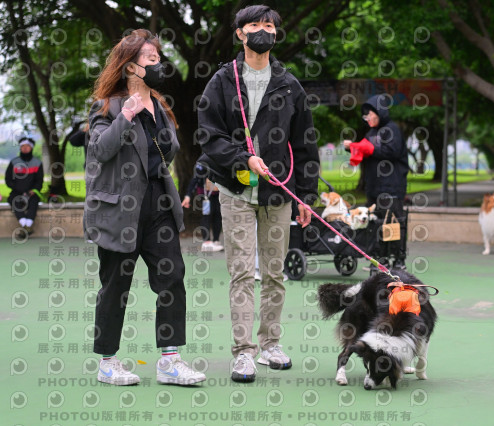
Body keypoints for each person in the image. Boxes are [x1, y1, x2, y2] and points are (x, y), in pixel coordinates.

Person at [197, 4, 319, 383]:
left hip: (278, 193)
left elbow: (305, 144)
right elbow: (209, 135)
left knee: (274, 272)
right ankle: (243, 352)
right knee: (240, 273)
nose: (262, 30)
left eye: (269, 25)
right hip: (235, 189)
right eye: (254, 25)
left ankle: (270, 344)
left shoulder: (289, 84)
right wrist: (243, 158)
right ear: (240, 33)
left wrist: (306, 195)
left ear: (276, 34)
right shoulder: (222, 81)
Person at [85, 29, 205, 386]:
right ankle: (108, 362)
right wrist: (126, 115)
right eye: (151, 59)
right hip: (119, 209)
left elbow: (167, 153)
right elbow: (100, 150)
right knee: (115, 286)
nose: (159, 64)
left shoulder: (160, 106)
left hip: (158, 204)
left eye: (158, 58)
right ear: (130, 66)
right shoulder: (107, 106)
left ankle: (170, 360)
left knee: (172, 278)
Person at [343, 95, 409, 269]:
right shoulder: (371, 133)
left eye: (370, 114)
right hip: (374, 186)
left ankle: (397, 259)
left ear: (380, 113)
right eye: (365, 116)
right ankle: (380, 258)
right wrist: (353, 147)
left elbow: (392, 151)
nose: (367, 118)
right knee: (376, 221)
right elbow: (365, 151)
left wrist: (368, 148)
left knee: (392, 222)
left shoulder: (392, 130)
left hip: (391, 186)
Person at [5, 135, 43, 237]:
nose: (25, 148)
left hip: (31, 193)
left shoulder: (37, 163)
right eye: (23, 146)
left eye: (27, 146)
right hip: (16, 192)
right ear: (20, 148)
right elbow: (8, 180)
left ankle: (27, 226)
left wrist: (34, 190)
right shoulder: (14, 162)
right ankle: (25, 225)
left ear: (31, 148)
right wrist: (17, 188)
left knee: (34, 202)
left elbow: (39, 180)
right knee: (13, 201)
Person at [181, 163, 223, 252]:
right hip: (206, 195)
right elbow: (195, 179)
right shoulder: (202, 162)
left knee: (218, 215)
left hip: (219, 194)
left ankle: (216, 240)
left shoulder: (222, 159)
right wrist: (188, 195)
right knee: (207, 215)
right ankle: (206, 242)